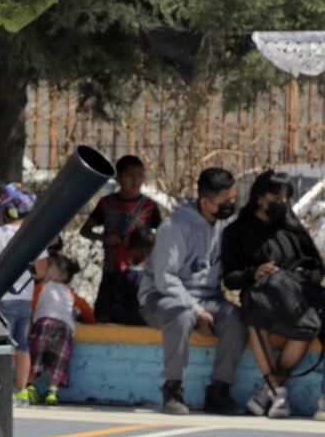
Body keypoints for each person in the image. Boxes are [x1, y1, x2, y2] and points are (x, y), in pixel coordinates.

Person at [138, 167, 247, 416]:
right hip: (161, 298)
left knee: (237, 318)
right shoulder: (175, 227)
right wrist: (196, 311)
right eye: (225, 201)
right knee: (181, 315)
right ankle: (173, 389)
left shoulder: (224, 224)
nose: (231, 205)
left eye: (233, 199)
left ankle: (219, 390)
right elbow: (165, 279)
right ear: (206, 202)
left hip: (208, 298)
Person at [221, 170, 325, 418]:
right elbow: (231, 279)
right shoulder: (236, 232)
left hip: (296, 298)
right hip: (261, 299)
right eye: (276, 197)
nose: (282, 203)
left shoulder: (292, 229)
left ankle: (270, 391)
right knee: (255, 313)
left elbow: (316, 267)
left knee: (309, 322)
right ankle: (275, 390)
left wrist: (300, 273)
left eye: (286, 198)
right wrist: (254, 273)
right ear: (260, 198)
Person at [0, 182, 47, 407]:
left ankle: (3, 388)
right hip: (24, 300)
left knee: (1, 345)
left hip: (0, 300)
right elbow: (42, 269)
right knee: (22, 345)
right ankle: (22, 391)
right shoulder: (35, 235)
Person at [80, 155, 164, 321]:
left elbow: (162, 236)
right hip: (112, 271)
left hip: (140, 275)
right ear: (118, 177)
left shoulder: (149, 206)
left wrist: (141, 240)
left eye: (140, 176)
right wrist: (105, 238)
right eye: (131, 176)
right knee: (105, 315)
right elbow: (85, 230)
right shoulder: (106, 203)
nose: (136, 181)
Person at [28, 256, 95, 405]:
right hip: (64, 328)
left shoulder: (42, 286)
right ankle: (52, 391)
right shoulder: (70, 293)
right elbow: (85, 308)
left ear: (62, 275)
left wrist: (30, 320)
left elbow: (31, 304)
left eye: (51, 266)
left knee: (35, 356)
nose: (47, 268)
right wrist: (90, 322)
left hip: (44, 323)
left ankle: (30, 386)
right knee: (59, 360)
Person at [95, 228, 155, 326]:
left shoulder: (127, 277)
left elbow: (116, 306)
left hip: (129, 330)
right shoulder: (157, 277)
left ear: (132, 250)